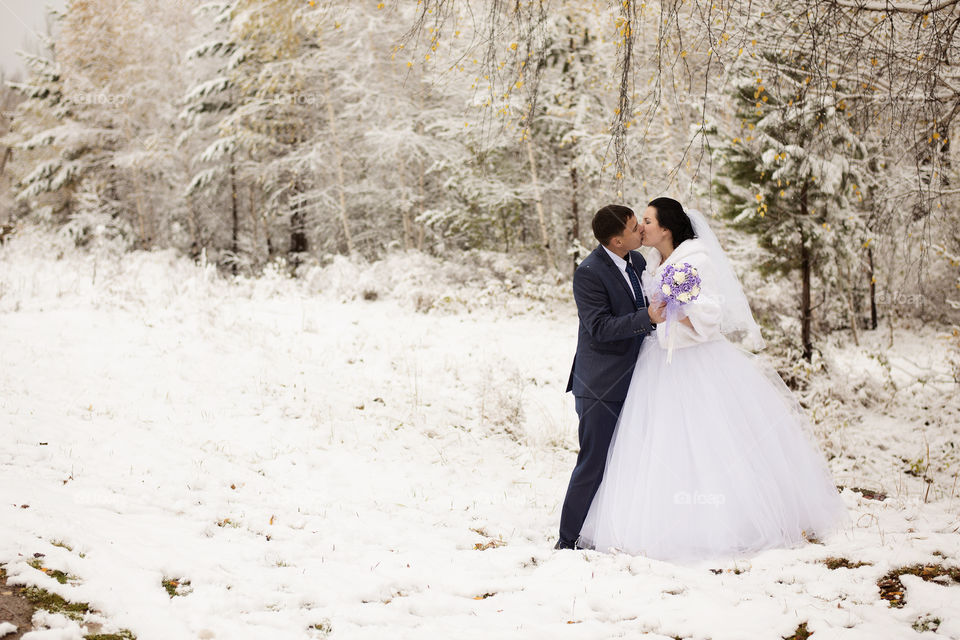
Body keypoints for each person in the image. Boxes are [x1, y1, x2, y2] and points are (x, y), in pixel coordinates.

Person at [577, 197, 848, 562]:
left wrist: (677, 307)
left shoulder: (696, 259)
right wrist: (659, 314)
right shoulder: (649, 261)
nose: (642, 227)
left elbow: (711, 313)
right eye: (638, 223)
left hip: (696, 362)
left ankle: (721, 522)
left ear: (666, 228)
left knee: (709, 440)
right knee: (661, 443)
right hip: (658, 361)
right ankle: (663, 520)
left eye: (647, 220)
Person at [556, 204, 666, 550]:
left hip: (637, 378)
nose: (641, 232)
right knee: (594, 461)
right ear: (618, 241)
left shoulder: (639, 262)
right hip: (600, 385)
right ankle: (567, 539)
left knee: (627, 460)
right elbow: (600, 327)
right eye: (635, 228)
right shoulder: (588, 273)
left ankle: (608, 531)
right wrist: (646, 317)